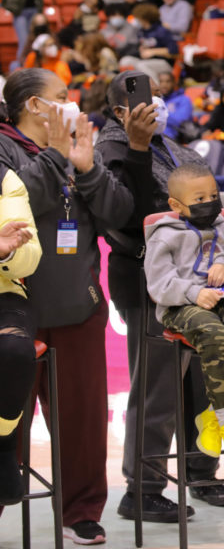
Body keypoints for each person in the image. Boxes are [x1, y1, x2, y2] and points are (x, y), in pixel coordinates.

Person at [96, 71, 224, 522]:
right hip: (146, 277)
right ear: (120, 111)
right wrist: (137, 148)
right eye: (143, 96)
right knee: (157, 386)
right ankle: (142, 488)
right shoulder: (109, 151)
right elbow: (128, 214)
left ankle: (201, 470)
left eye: (159, 93)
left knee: (201, 376)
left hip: (200, 279)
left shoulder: (177, 148)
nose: (155, 101)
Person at [0, 67, 128, 545]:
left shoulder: (81, 142)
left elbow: (118, 214)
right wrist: (55, 156)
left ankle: (81, 511)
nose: (72, 102)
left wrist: (89, 168)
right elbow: (17, 205)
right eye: (63, 95)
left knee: (83, 421)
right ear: (34, 105)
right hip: (15, 305)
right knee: (5, 421)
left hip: (78, 303)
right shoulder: (3, 147)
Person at [144, 163, 224, 471]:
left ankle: (212, 414)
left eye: (213, 195)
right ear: (175, 204)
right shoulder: (163, 236)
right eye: (199, 199)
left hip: (223, 298)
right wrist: (193, 294)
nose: (210, 202)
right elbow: (159, 285)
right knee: (213, 335)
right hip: (180, 306)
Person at [0, 160, 40, 507]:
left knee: (15, 350)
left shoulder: (6, 179)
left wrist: (7, 250)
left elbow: (30, 255)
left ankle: (3, 444)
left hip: (4, 292)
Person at [120, 3, 178, 81]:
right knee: (125, 61)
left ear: (145, 19)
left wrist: (152, 51)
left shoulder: (161, 31)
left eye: (138, 18)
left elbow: (173, 50)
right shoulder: (141, 31)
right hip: (147, 60)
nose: (136, 20)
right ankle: (132, 89)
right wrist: (142, 49)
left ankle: (155, 90)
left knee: (141, 65)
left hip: (164, 62)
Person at [0, 0, 43, 70]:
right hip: (20, 12)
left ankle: (34, 66)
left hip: (34, 11)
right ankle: (22, 67)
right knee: (23, 41)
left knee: (34, 40)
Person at [158, 71, 194, 142]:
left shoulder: (184, 99)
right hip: (156, 137)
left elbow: (181, 122)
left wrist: (159, 111)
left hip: (175, 140)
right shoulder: (158, 100)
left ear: (174, 83)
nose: (164, 85)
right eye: (161, 82)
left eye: (168, 82)